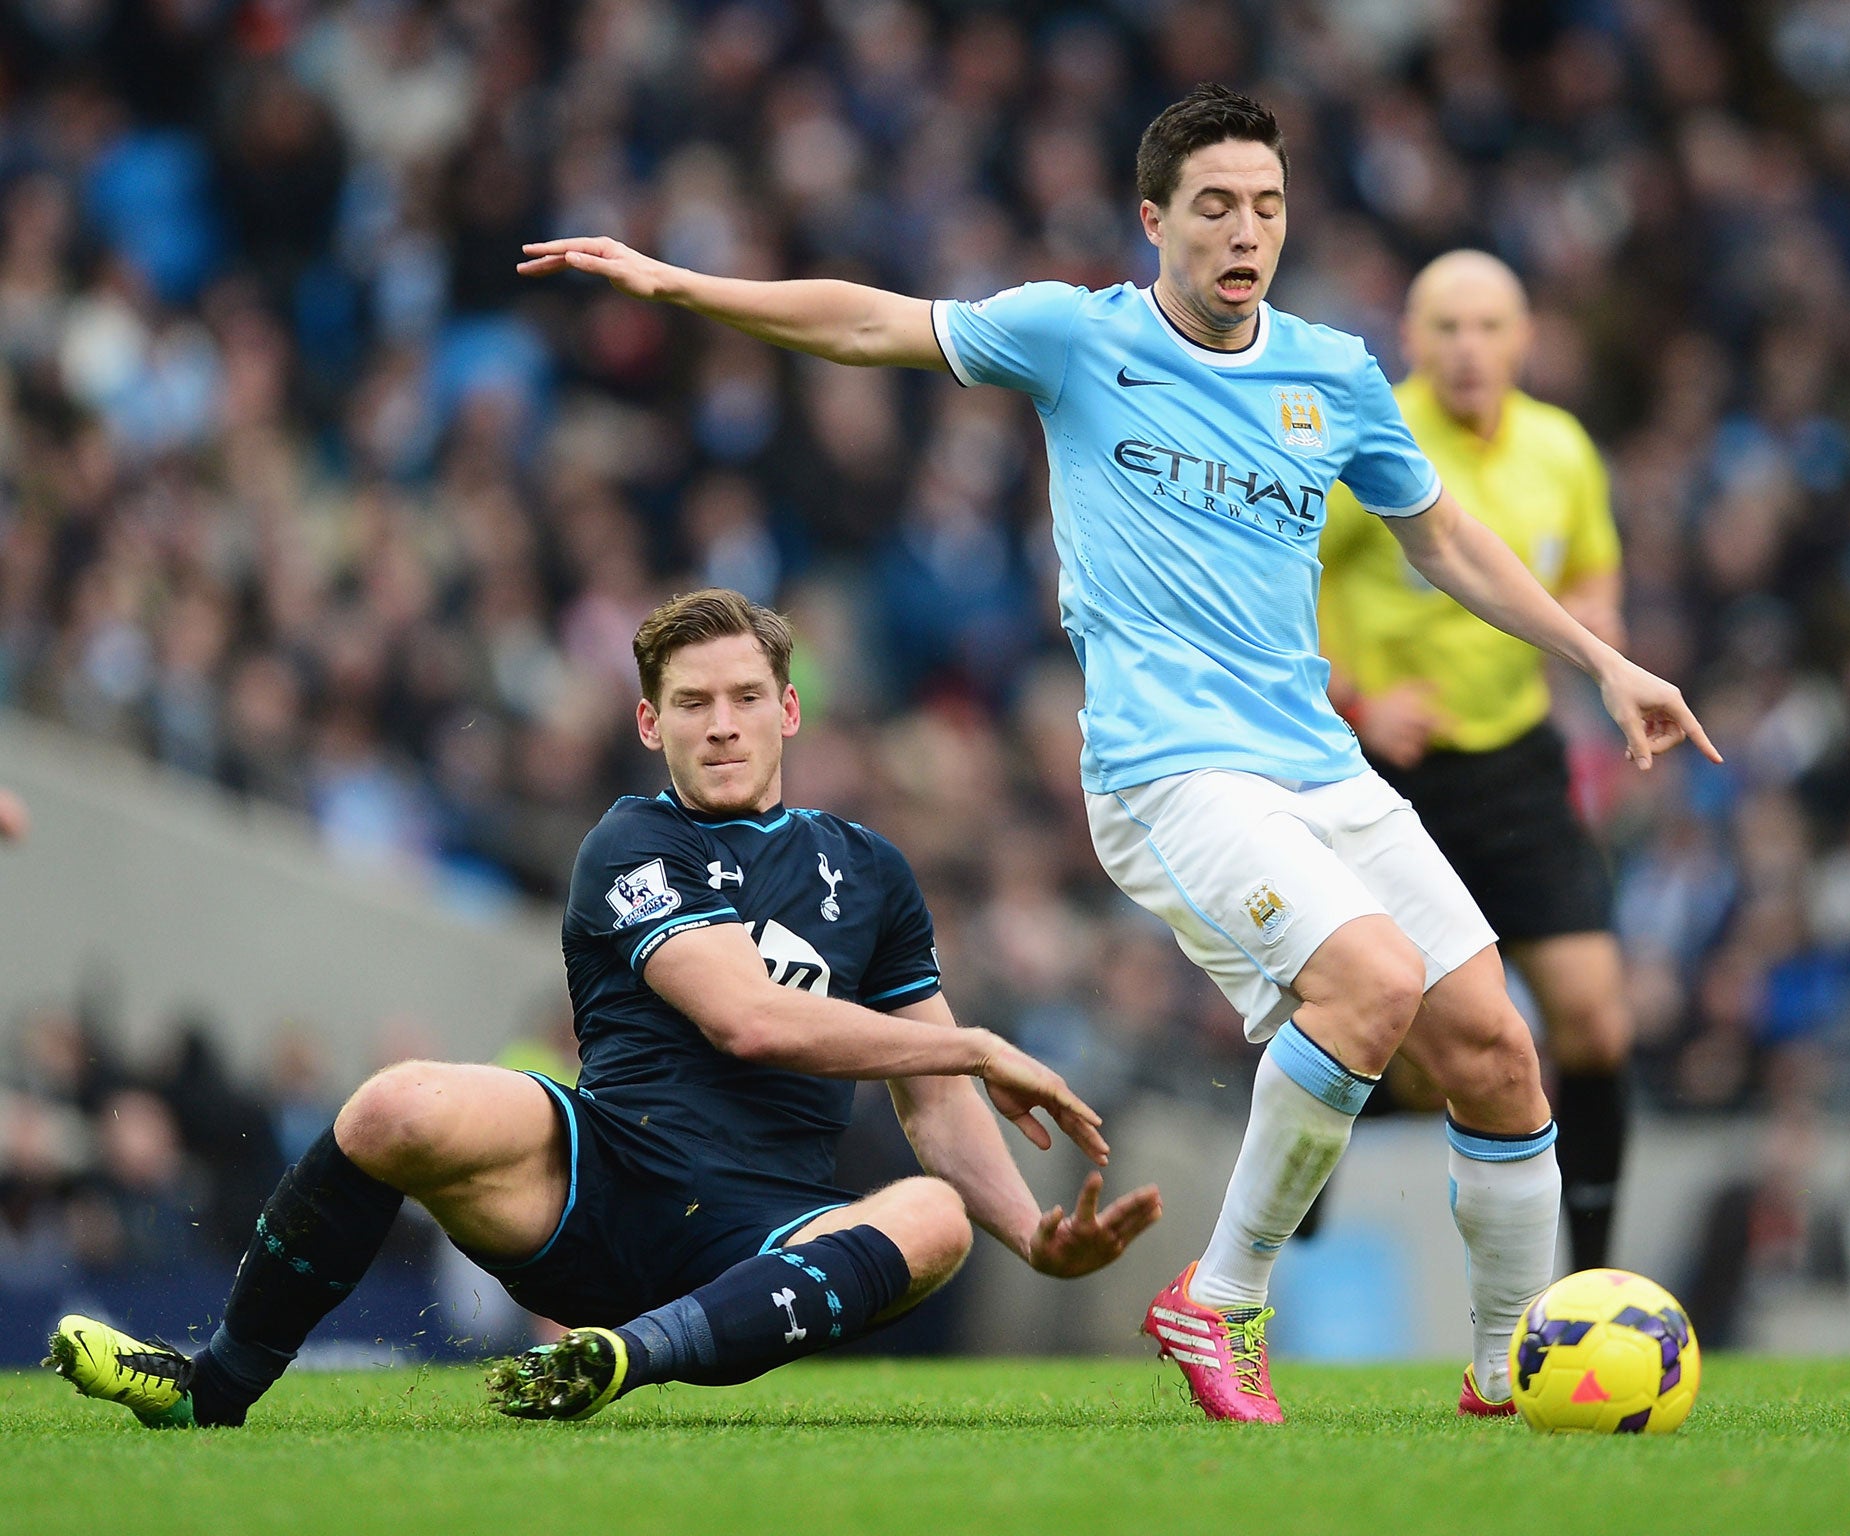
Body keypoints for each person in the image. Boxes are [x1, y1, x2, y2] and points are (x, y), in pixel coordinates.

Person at [513, 83, 1717, 1423]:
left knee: (1496, 1046)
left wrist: (1603, 662)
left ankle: (1508, 1378)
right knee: (1372, 985)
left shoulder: (1334, 373)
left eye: (1265, 204)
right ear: (1155, 222)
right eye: (1213, 206)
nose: (1243, 229)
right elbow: (871, 322)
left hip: (1318, 764)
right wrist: (680, 285)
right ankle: (1221, 1299)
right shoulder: (1075, 337)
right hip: (1168, 771)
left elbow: (1444, 541)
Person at [47, 589, 1159, 1427]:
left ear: (788, 708)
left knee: (932, 1217)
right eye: (690, 704)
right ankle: (214, 1385)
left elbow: (936, 1106)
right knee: (394, 1105)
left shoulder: (868, 872)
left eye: (740, 700)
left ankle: (622, 1359)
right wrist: (970, 1041)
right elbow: (748, 1020)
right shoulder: (631, 843)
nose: (719, 725)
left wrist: (1031, 1233)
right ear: (647, 722)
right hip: (594, 1184)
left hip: (761, 1236)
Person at [1318, 250, 1635, 1271]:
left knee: (1589, 1020)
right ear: (1407, 339)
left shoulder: (1561, 449)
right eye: (1444, 328)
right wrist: (1355, 700)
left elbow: (1590, 574)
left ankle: (1589, 1277)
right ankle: (1277, 1230)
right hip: (1384, 775)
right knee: (1382, 1038)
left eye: (1486, 326)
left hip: (1512, 766)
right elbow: (1276, 585)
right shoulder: (1365, 436)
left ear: (1522, 338)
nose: (1466, 348)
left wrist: (1596, 636)